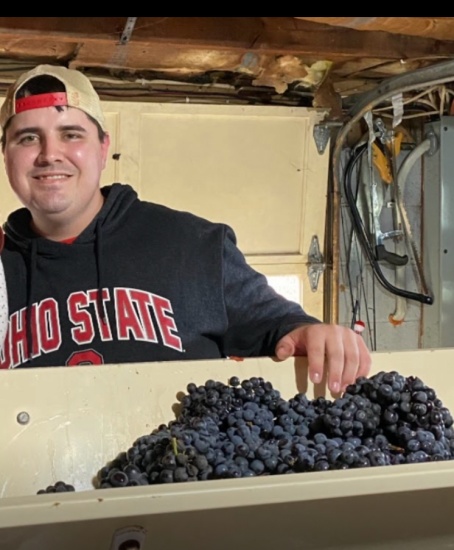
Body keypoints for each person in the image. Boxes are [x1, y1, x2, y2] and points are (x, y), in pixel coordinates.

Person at [0, 64, 371, 393]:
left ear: (102, 148)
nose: (50, 154)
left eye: (71, 134)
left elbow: (280, 327)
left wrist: (311, 332)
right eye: (28, 137)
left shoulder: (195, 245)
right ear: (6, 155)